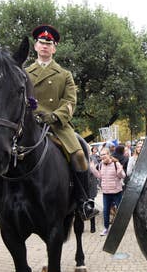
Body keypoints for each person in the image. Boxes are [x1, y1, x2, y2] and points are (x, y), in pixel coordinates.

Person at [26, 25, 97, 220]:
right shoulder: (24, 73)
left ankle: (83, 201)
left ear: (54, 48)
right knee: (6, 150)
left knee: (79, 154)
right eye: (42, 43)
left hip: (58, 126)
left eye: (49, 44)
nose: (45, 46)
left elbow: (70, 101)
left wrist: (55, 116)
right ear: (35, 46)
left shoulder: (64, 75)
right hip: (30, 123)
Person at [90, 148, 126, 236]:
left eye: (104, 154)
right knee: (106, 211)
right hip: (106, 193)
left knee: (119, 211)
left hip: (116, 192)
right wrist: (93, 169)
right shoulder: (101, 165)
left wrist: (120, 171)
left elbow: (123, 176)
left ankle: (120, 228)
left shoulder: (115, 163)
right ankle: (106, 229)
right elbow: (100, 176)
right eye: (101, 155)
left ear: (109, 154)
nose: (102, 156)